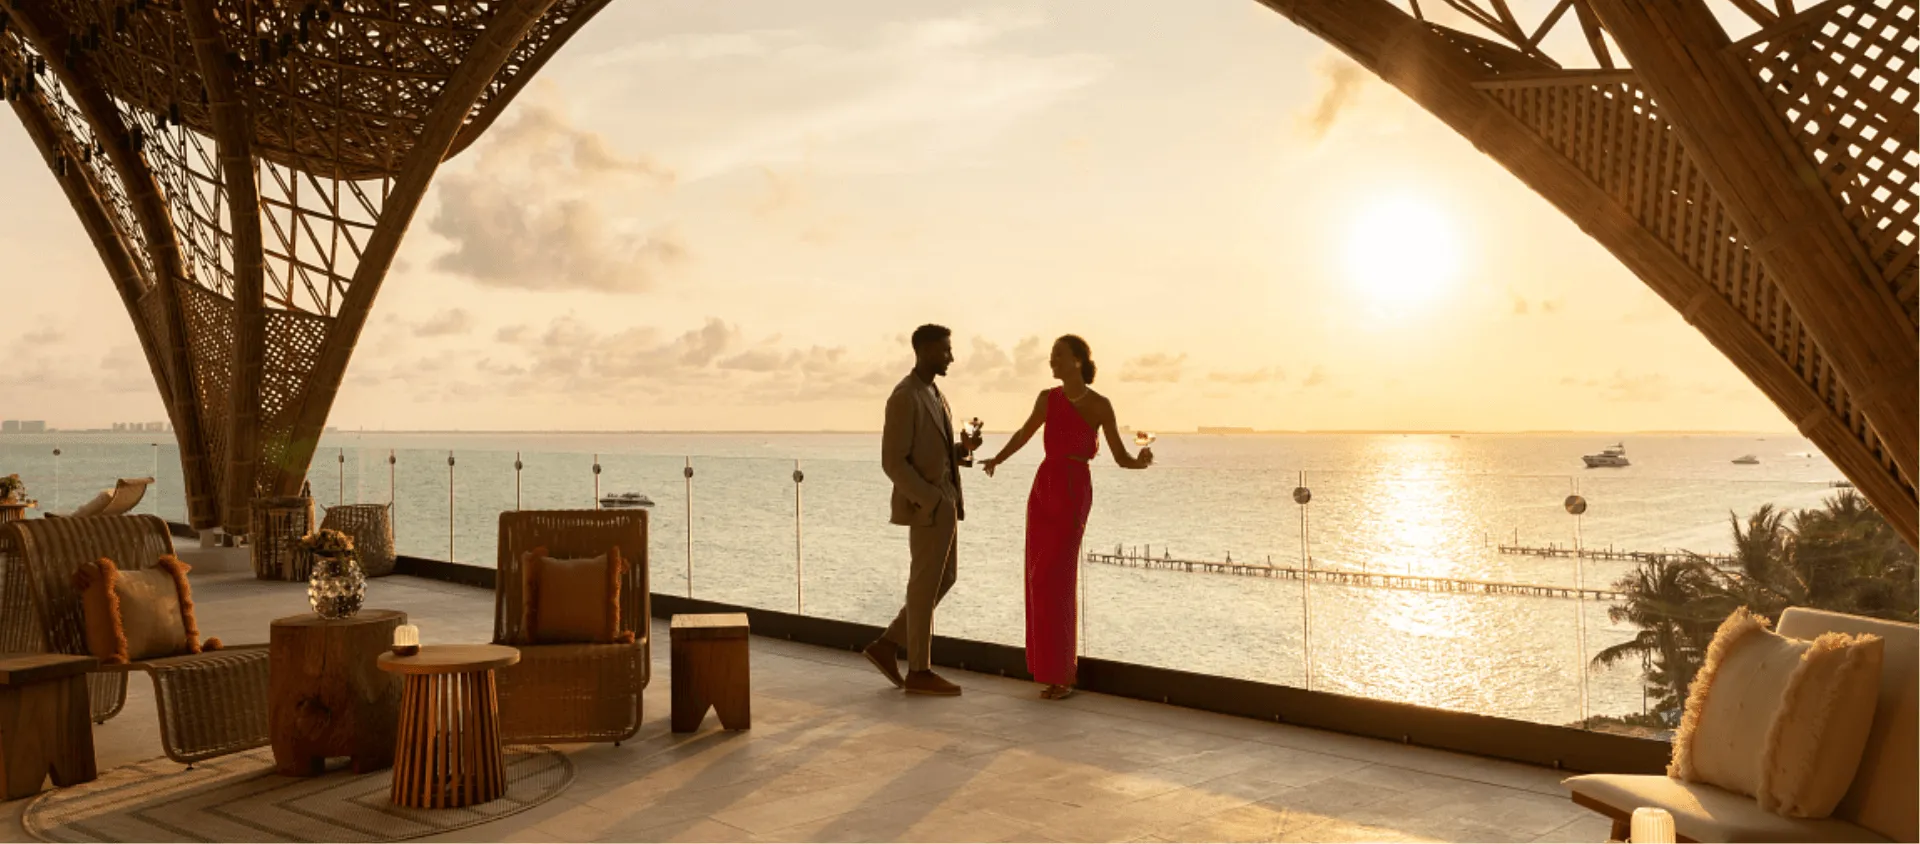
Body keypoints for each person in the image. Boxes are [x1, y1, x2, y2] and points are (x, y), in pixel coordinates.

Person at [981, 335, 1152, 700]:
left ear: (1077, 361)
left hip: (1074, 491)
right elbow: (1024, 434)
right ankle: (1046, 670)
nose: (1051, 362)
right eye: (1051, 357)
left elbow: (1122, 457)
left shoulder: (1100, 405)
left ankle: (1063, 674)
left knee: (1057, 578)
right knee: (1037, 577)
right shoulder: (1048, 399)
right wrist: (997, 458)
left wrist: (1141, 463)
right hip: (1044, 488)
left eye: (1058, 356)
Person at [864, 324, 983, 696]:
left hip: (946, 502)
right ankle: (919, 670)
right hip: (929, 506)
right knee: (923, 584)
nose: (951, 356)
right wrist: (930, 499)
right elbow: (892, 462)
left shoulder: (936, 394)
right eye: (946, 350)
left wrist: (961, 449)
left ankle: (887, 645)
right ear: (926, 350)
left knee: (943, 579)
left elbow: (934, 452)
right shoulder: (903, 397)